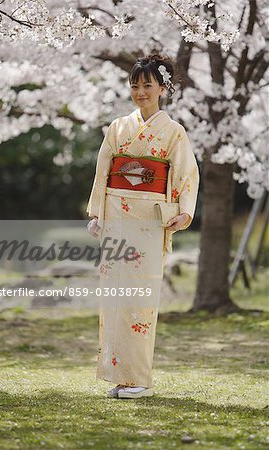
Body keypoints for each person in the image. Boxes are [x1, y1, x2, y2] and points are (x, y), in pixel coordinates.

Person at [86, 54, 200, 399]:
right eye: (135, 85)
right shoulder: (117, 128)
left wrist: (183, 211)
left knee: (140, 297)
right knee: (114, 297)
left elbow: (186, 175)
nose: (140, 91)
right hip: (117, 219)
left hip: (149, 220)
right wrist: (97, 214)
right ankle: (120, 376)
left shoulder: (173, 132)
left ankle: (139, 378)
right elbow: (103, 172)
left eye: (148, 85)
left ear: (163, 88)